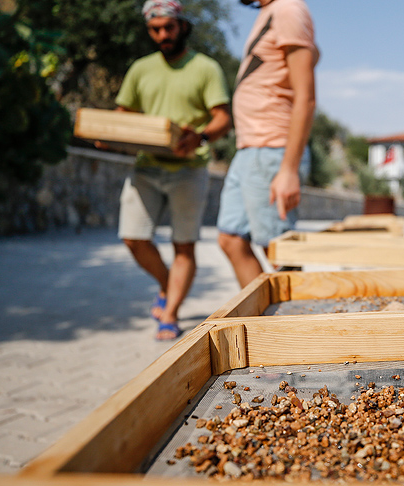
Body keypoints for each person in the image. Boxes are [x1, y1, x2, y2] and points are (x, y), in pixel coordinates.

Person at [112, 0, 231, 340]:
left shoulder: (206, 68)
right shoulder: (141, 68)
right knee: (133, 238)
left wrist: (201, 136)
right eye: (155, 29)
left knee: (184, 246)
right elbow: (123, 113)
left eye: (168, 27)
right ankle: (167, 284)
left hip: (189, 169)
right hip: (146, 167)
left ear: (182, 26)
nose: (163, 34)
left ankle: (171, 313)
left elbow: (222, 117)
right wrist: (108, 133)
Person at [217, 0, 319, 287]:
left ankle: (296, 331)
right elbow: (313, 54)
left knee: (279, 253)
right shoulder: (272, 12)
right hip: (250, 147)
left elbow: (306, 97)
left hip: (273, 148)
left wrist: (288, 169)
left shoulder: (288, 8)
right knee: (231, 239)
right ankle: (267, 322)